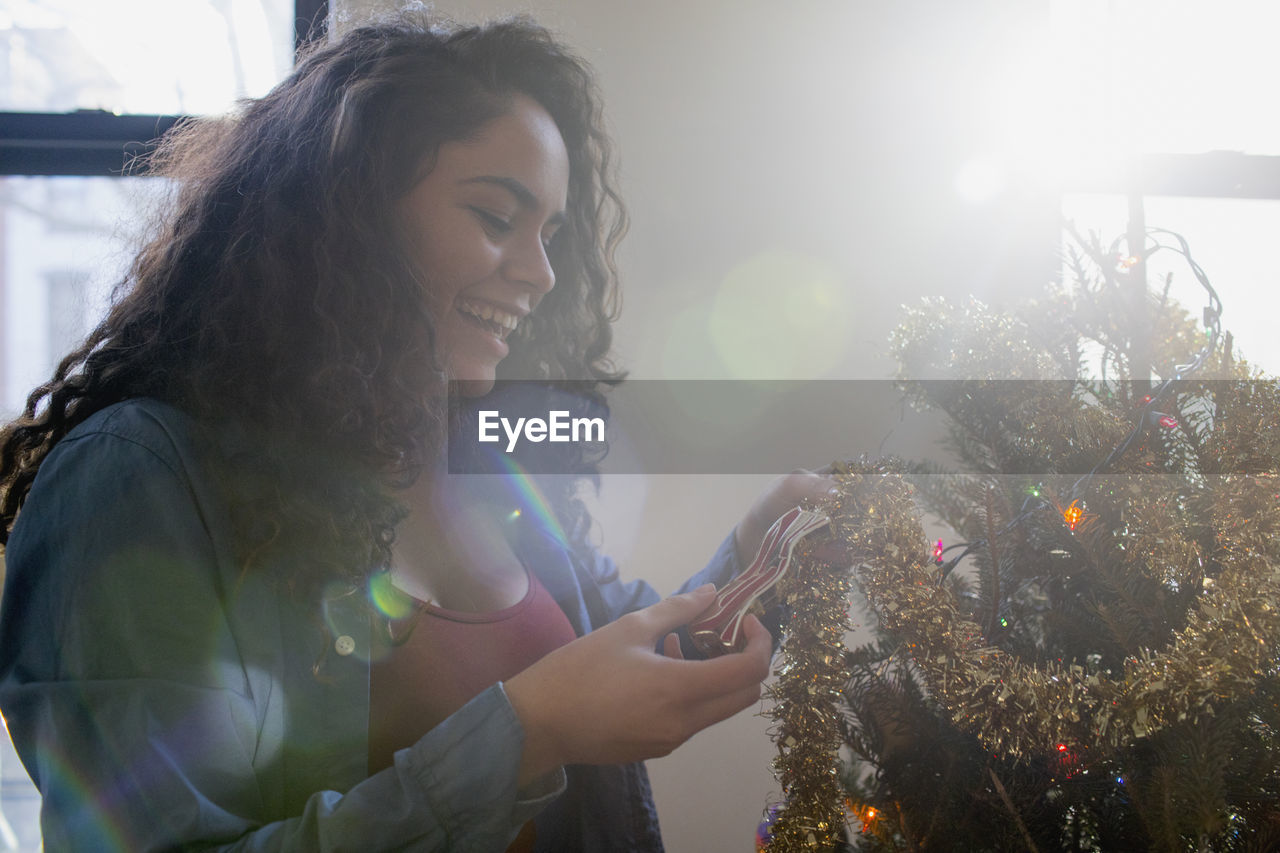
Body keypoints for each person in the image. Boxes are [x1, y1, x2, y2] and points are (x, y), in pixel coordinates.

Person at [0, 13, 835, 852]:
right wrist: (527, 732)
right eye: (496, 216)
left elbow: (616, 648)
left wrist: (756, 560)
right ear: (348, 215)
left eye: (549, 233)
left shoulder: (483, 458)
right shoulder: (138, 478)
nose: (542, 273)